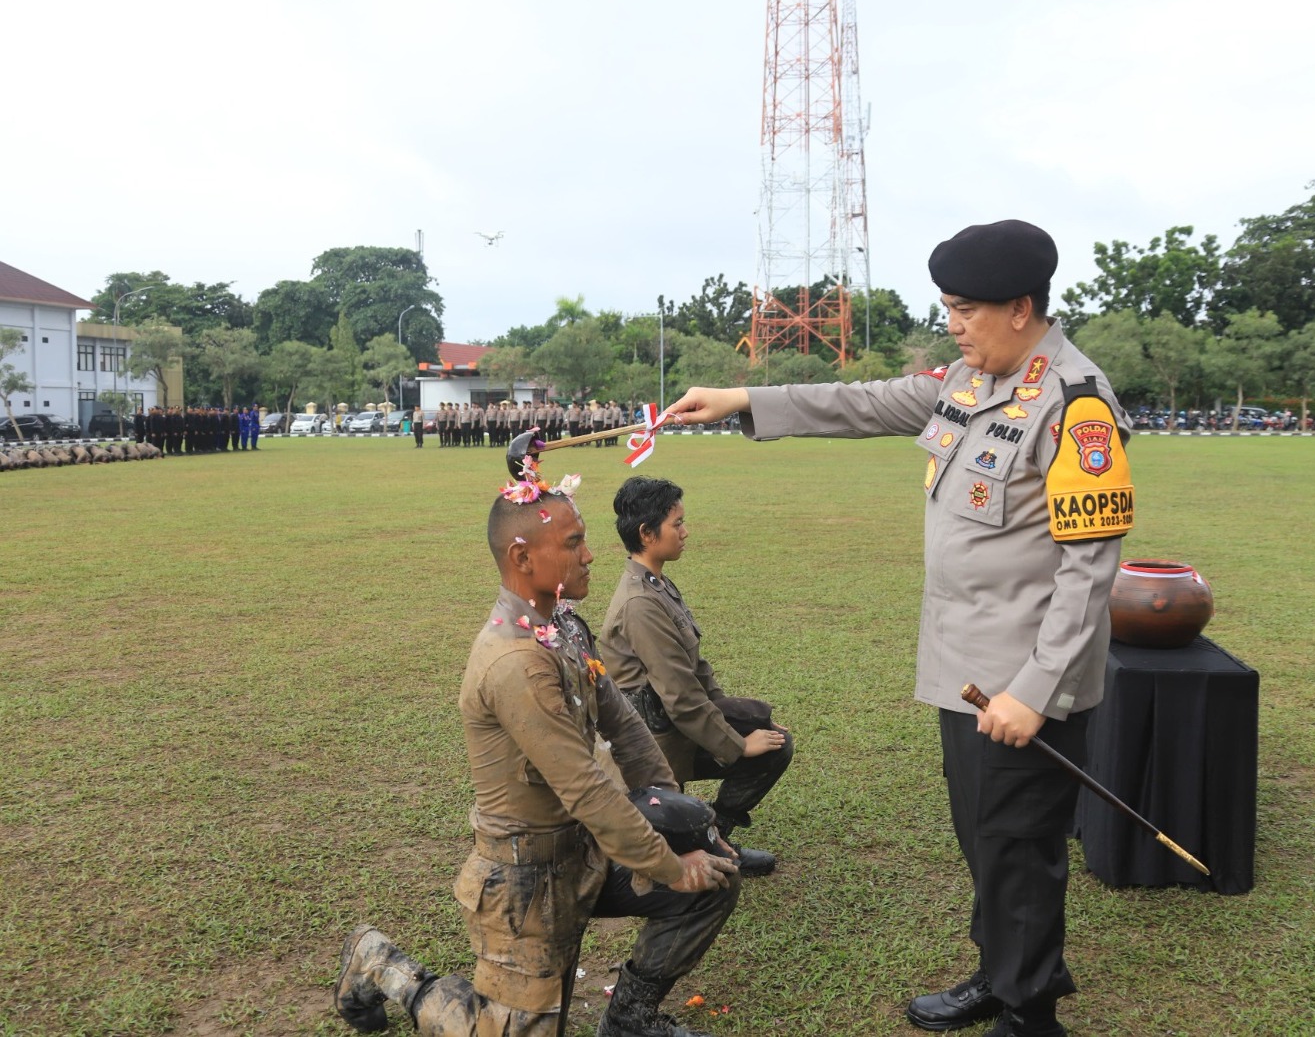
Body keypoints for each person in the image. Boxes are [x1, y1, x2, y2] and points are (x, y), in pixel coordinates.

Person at [664, 220, 1135, 1037]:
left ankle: (1029, 1017)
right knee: (988, 840)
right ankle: (1007, 971)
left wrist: (1035, 690)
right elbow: (863, 400)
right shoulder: (971, 378)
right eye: (948, 307)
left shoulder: (1076, 407)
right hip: (967, 671)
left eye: (966, 309)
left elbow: (1089, 572)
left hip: (1024, 684)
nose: (953, 323)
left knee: (1018, 845)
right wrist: (743, 400)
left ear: (1021, 308)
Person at [335, 475, 740, 1037]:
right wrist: (671, 865)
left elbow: (625, 727)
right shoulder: (516, 662)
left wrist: (685, 823)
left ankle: (628, 1019)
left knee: (714, 876)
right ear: (523, 557)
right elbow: (585, 788)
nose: (590, 554)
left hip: (588, 852)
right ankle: (381, 962)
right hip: (524, 880)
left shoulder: (562, 628)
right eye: (573, 543)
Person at [600, 476, 793, 877]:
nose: (686, 532)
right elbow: (681, 697)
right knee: (672, 854)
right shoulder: (640, 603)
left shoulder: (656, 585)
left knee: (772, 737)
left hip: (676, 726)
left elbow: (696, 668)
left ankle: (716, 833)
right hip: (655, 745)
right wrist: (738, 743)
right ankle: (706, 844)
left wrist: (743, 718)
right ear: (647, 534)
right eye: (678, 524)